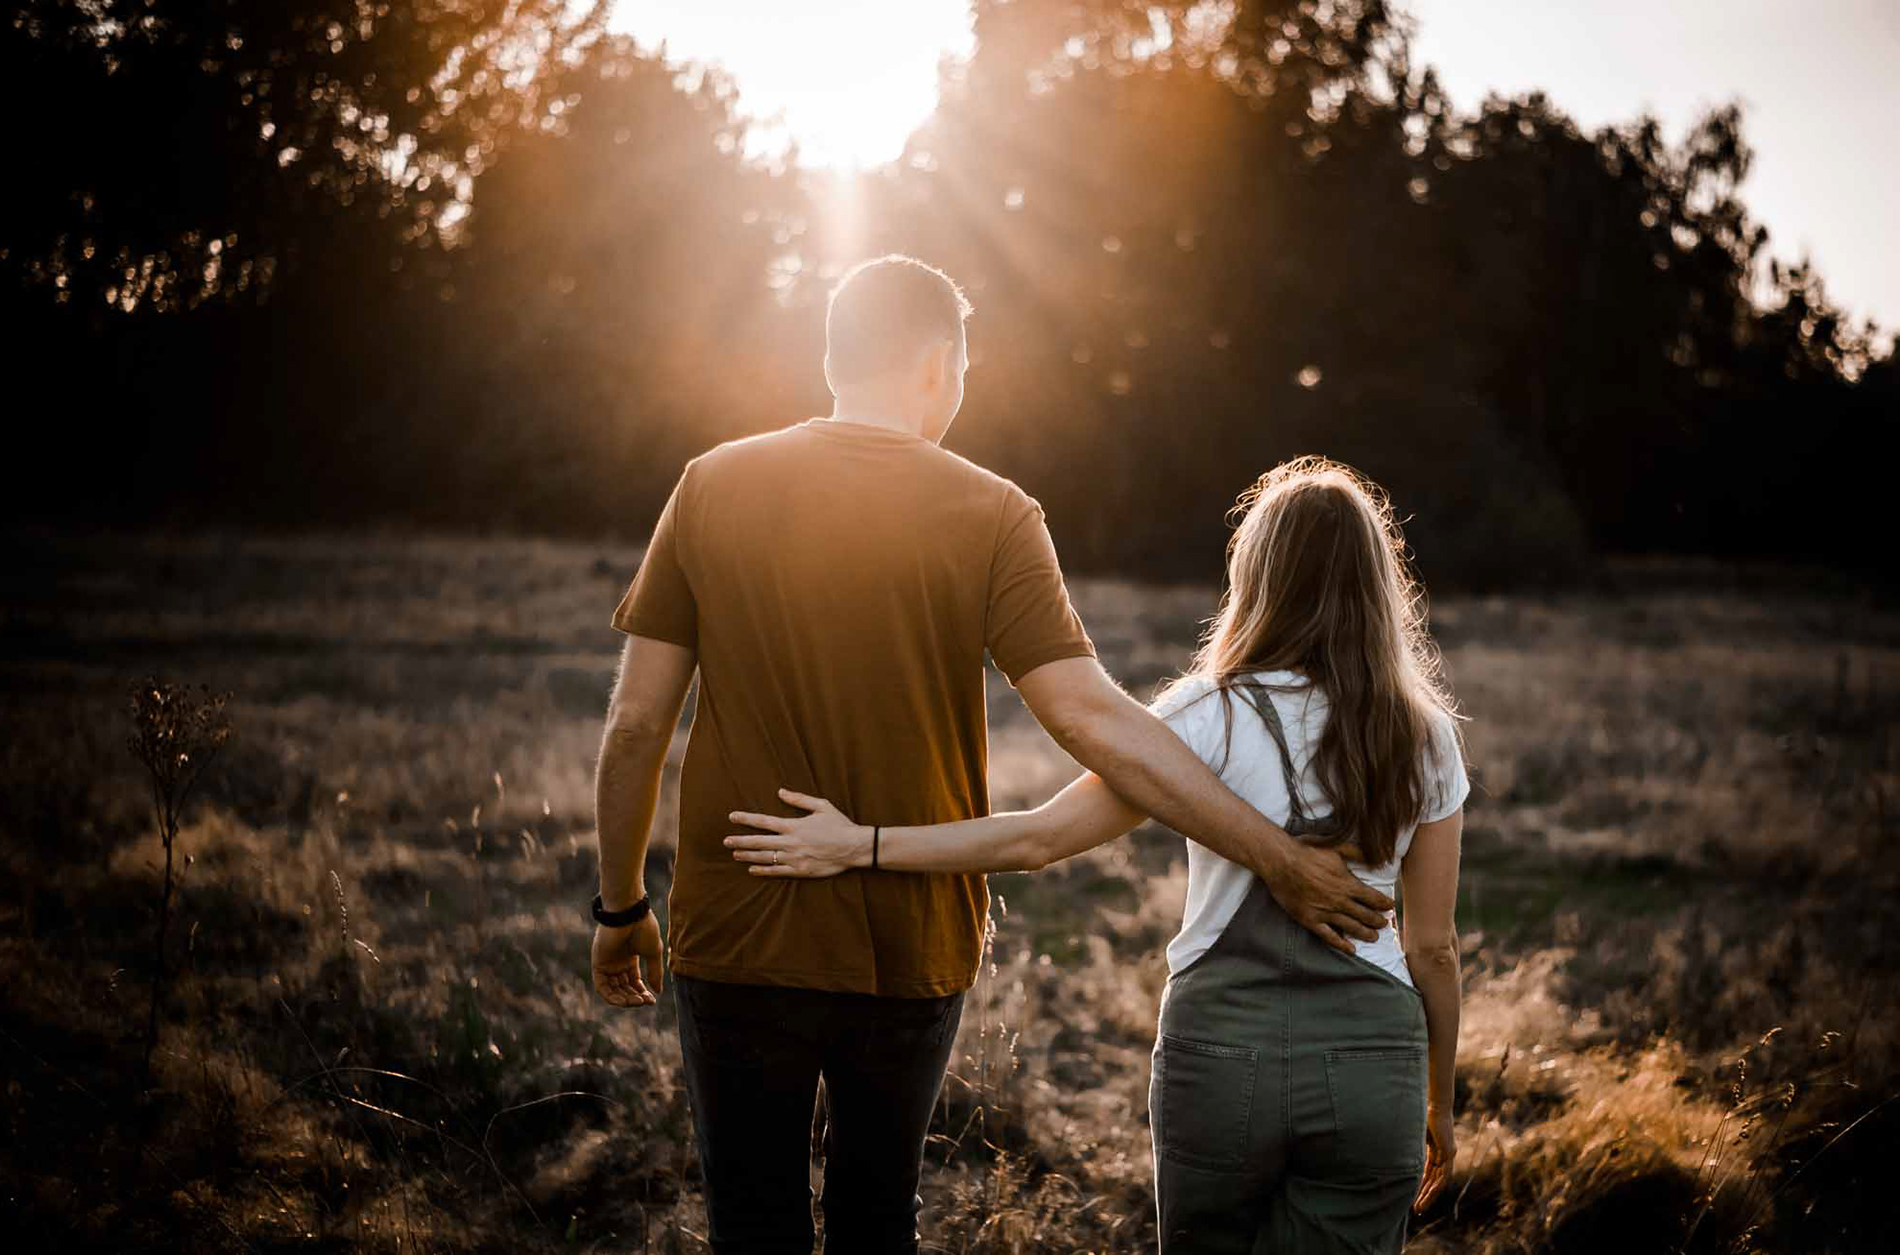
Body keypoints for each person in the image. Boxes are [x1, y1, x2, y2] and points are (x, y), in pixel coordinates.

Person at [587, 256, 1400, 1255]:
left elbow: (636, 726)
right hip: (911, 940)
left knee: (752, 1223)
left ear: (835, 358)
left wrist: (621, 906)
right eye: (963, 372)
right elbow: (1091, 720)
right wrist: (1282, 859)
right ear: (938, 364)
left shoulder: (711, 485)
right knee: (877, 1220)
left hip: (737, 928)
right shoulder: (996, 513)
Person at [723, 455, 1469, 1254]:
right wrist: (1438, 1100)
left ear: (1256, 576)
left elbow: (1038, 836)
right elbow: (1433, 947)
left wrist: (860, 844)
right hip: (1375, 1068)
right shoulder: (1425, 732)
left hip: (1221, 1057)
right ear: (1377, 584)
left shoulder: (1204, 715)